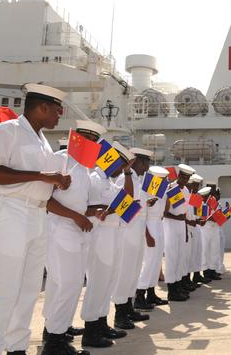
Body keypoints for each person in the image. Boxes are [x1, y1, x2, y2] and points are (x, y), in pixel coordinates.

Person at [0, 84, 70, 355]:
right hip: (10, 213)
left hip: (37, 214)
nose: (59, 116)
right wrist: (40, 176)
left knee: (28, 289)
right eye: (57, 111)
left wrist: (55, 182)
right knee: (3, 287)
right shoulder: (8, 131)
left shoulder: (42, 141)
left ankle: (16, 348)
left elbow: (39, 180)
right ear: (43, 108)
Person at [42, 120, 106, 355]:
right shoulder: (61, 160)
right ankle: (54, 342)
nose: (90, 145)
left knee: (69, 284)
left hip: (75, 232)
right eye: (87, 140)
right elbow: (45, 200)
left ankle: (55, 334)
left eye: (94, 142)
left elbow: (79, 206)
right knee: (66, 284)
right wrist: (78, 217)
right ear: (77, 139)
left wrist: (91, 213)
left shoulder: (83, 169)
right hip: (59, 230)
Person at [81, 141, 134, 348]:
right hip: (100, 234)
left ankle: (101, 321)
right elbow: (88, 208)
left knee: (108, 280)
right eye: (121, 163)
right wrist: (107, 209)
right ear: (109, 159)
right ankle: (90, 329)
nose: (122, 168)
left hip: (114, 233)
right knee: (98, 282)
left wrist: (128, 173)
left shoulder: (110, 182)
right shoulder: (94, 179)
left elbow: (127, 198)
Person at [112, 147, 154, 328]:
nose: (147, 166)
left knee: (133, 271)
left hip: (136, 231)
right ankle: (120, 313)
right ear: (137, 161)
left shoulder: (138, 180)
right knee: (124, 272)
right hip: (126, 231)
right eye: (146, 162)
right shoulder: (125, 178)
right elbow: (120, 206)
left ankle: (128, 307)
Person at [136, 166, 170, 312]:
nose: (164, 182)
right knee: (148, 262)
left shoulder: (162, 192)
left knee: (156, 262)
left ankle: (151, 293)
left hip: (159, 225)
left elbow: (165, 211)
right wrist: (147, 234)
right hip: (149, 225)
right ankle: (139, 296)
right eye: (161, 179)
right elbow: (140, 215)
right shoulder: (144, 191)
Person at [163, 164, 194, 301]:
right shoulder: (171, 188)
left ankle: (178, 286)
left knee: (180, 257)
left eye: (187, 178)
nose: (185, 180)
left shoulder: (186, 190)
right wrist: (178, 218)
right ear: (179, 176)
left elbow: (185, 212)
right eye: (183, 177)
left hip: (182, 225)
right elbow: (165, 213)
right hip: (171, 226)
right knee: (172, 258)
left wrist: (185, 229)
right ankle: (171, 291)